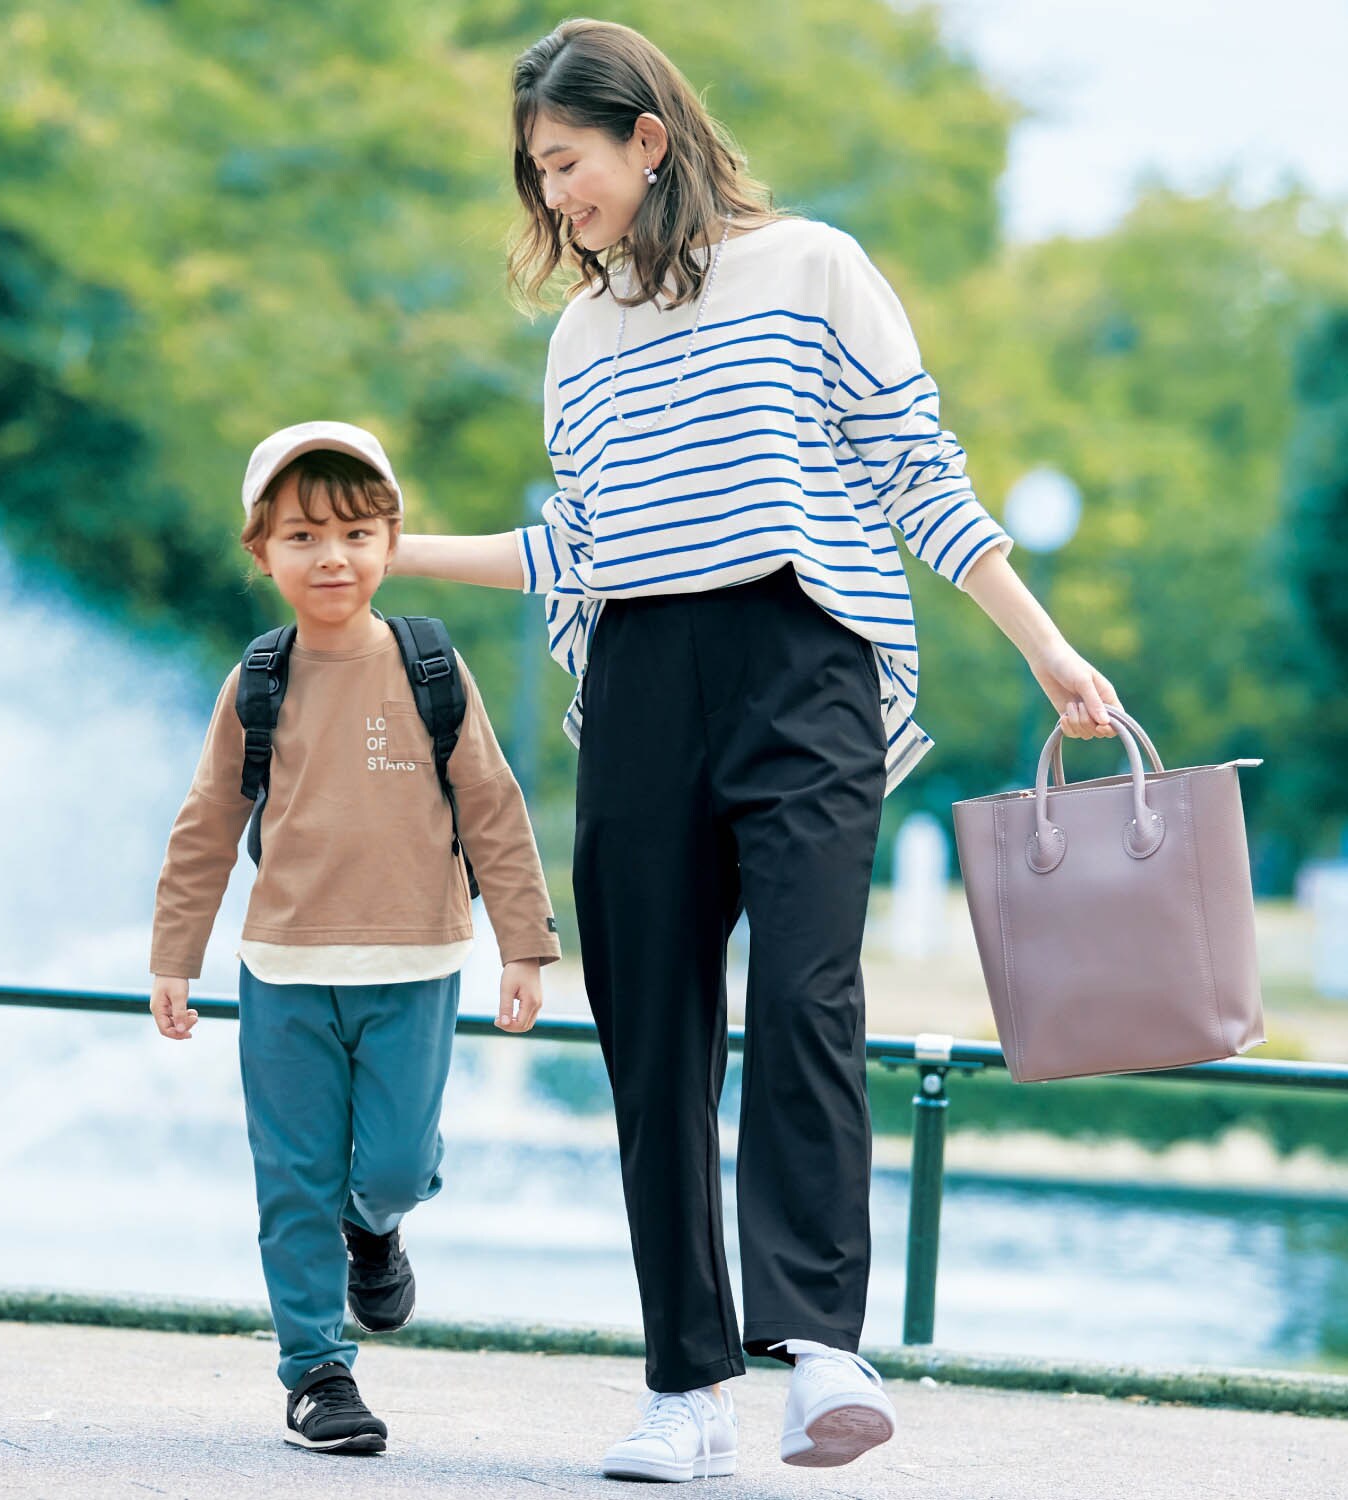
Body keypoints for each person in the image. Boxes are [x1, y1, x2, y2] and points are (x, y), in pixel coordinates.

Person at [394, 18, 1124, 1483]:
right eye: (537, 179)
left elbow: (921, 476)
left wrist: (1043, 647)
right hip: (649, 677)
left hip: (807, 663)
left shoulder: (814, 270)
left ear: (646, 139)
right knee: (650, 1032)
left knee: (806, 991)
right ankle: (684, 1392)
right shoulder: (578, 337)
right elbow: (583, 546)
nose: (555, 201)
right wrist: (389, 549)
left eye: (567, 165)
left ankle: (821, 1351)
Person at [147, 421, 562, 1455]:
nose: (329, 556)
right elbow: (204, 826)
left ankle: (376, 1230)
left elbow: (495, 809)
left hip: (417, 965)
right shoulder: (257, 682)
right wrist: (174, 955)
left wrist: (524, 945)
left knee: (390, 1165)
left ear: (388, 540)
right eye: (301, 537)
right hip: (283, 971)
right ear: (262, 554)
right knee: (291, 1181)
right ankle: (317, 1374)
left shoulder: (429, 664)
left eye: (353, 532)